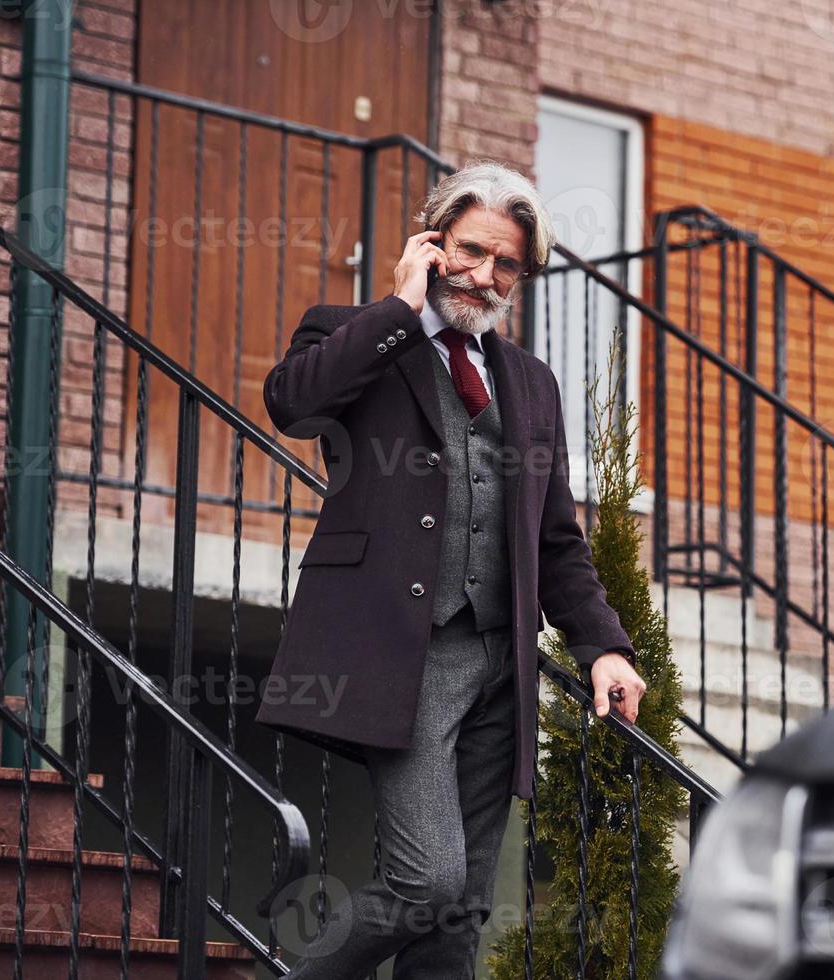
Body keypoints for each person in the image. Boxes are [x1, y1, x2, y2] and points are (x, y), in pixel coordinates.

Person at [257, 160, 648, 978]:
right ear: (431, 242)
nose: (485, 275)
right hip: (403, 653)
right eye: (471, 251)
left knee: (457, 915)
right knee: (426, 879)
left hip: (497, 668)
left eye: (506, 263)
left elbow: (556, 540)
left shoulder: (531, 385)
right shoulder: (356, 333)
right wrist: (398, 306)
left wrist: (603, 644)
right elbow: (294, 403)